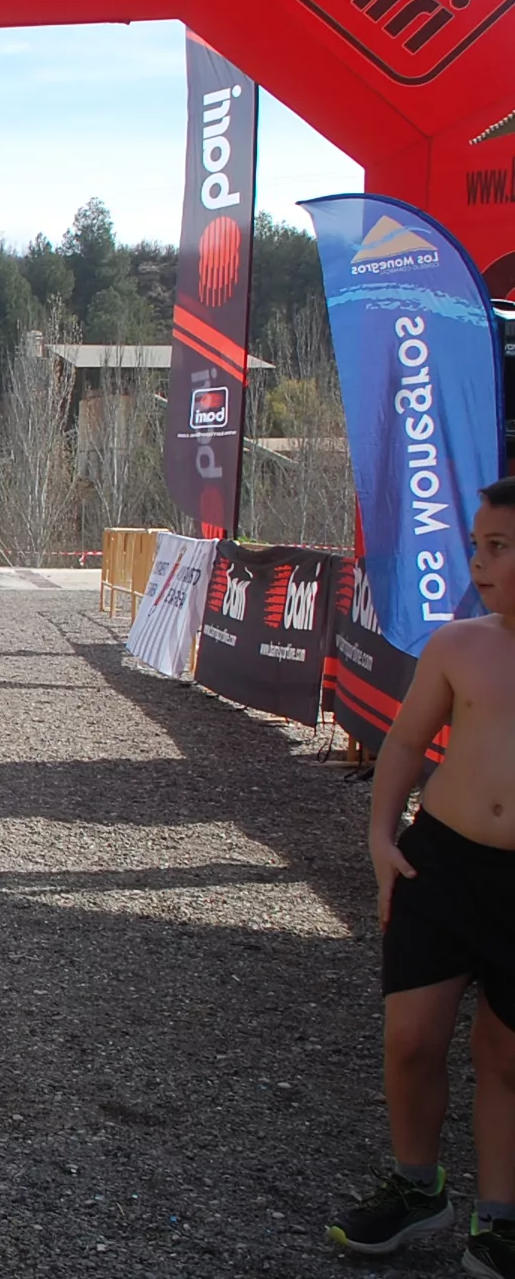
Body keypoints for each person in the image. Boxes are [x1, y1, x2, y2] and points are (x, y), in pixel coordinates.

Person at [327, 478, 515, 1276]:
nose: (478, 562)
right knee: (410, 1041)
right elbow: (403, 747)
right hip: (439, 863)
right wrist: (380, 836)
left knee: (505, 1056)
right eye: (475, 544)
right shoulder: (458, 645)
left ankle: (499, 1220)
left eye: (498, 547)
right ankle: (417, 1187)